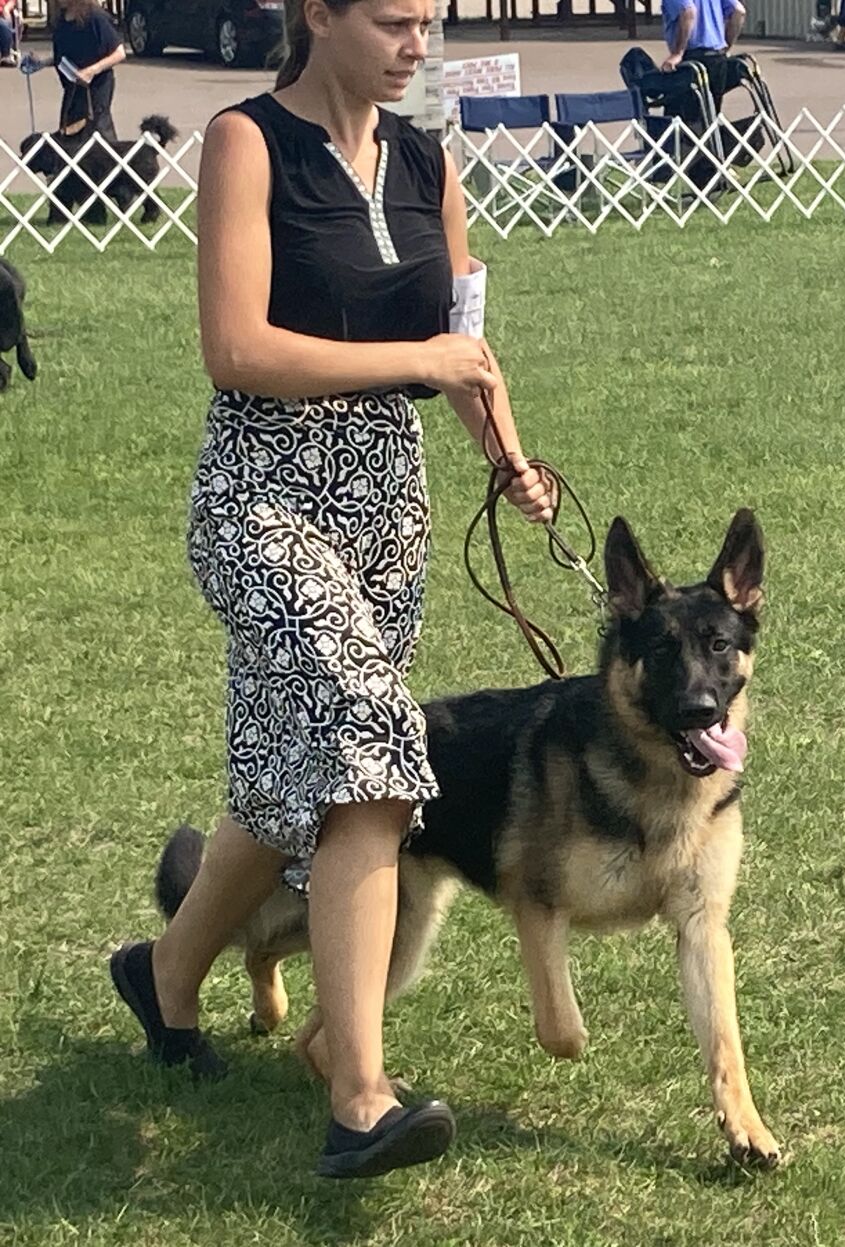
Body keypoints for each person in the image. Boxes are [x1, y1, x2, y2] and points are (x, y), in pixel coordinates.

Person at [106, 0, 554, 1180]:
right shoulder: (246, 140)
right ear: (321, 15)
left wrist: (509, 456)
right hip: (262, 499)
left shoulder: (424, 160)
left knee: (282, 773)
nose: (420, 43)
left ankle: (163, 981)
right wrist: (419, 363)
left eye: (432, 22)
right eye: (398, 20)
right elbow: (237, 349)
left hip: (385, 513)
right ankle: (358, 1093)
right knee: (366, 745)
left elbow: (464, 339)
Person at [660, 0, 748, 189]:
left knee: (685, 119)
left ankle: (692, 173)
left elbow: (688, 11)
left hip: (693, 58)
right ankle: (714, 169)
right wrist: (727, 46)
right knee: (710, 117)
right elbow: (738, 11)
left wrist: (678, 52)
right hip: (717, 57)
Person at [47, 0, 123, 140]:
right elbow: (67, 56)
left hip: (97, 84)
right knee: (69, 131)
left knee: (98, 129)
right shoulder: (61, 19)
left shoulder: (96, 17)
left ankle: (110, 160)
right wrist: (42, 63)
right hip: (72, 86)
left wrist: (91, 70)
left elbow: (119, 53)